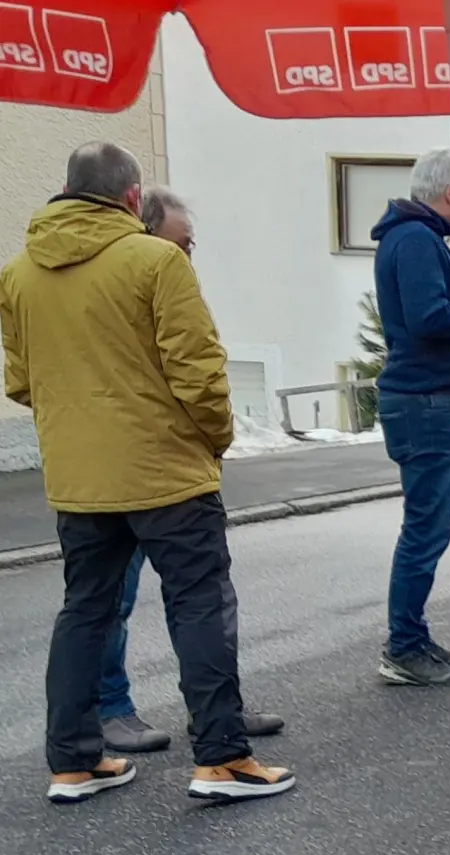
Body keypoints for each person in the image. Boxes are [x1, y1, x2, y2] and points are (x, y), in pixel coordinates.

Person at [1, 142, 294, 803]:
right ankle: (222, 759)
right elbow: (198, 369)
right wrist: (214, 438)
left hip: (79, 478)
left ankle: (73, 763)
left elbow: (21, 381)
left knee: (85, 612)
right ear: (132, 198)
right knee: (199, 606)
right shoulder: (156, 261)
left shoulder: (17, 274)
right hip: (166, 470)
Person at [99, 185, 285, 753]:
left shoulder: (161, 283)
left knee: (200, 600)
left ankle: (215, 708)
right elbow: (198, 380)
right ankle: (114, 710)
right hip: (136, 468)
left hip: (159, 463)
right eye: (179, 244)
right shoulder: (125, 285)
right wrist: (217, 434)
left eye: (190, 246)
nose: (186, 257)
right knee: (119, 598)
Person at [372, 149, 450, 687]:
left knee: (426, 528)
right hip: (425, 401)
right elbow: (429, 318)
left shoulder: (416, 237)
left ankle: (411, 635)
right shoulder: (415, 240)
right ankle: (403, 645)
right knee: (425, 531)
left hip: (428, 399)